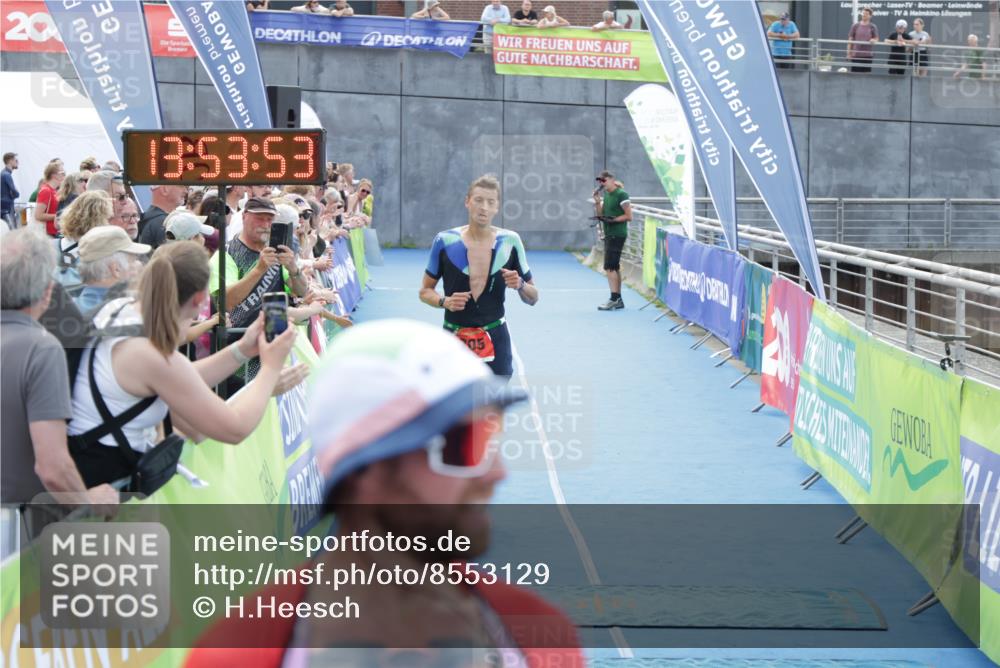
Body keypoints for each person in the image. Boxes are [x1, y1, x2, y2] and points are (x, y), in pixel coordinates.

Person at [184, 320, 583, 667]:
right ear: (366, 470)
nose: (497, 473)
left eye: (493, 437)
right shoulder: (236, 652)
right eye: (467, 444)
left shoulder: (540, 632)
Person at [66, 242, 301, 488]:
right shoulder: (152, 355)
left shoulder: (121, 309)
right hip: (106, 498)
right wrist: (270, 369)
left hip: (87, 473)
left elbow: (184, 379)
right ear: (200, 300)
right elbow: (234, 428)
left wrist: (242, 349)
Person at [1, 228, 119, 512]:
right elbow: (53, 467)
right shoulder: (41, 349)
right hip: (14, 526)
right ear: (47, 292)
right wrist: (87, 502)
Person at [420, 175, 538, 378]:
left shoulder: (510, 241)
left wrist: (519, 284)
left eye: (490, 202)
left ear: (497, 207)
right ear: (467, 202)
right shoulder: (445, 241)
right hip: (454, 335)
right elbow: (425, 291)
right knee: (455, 403)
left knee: (493, 404)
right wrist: (444, 301)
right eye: (478, 200)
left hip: (495, 336)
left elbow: (533, 297)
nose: (484, 207)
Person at [211, 197, 307, 381]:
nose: (265, 224)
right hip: (237, 355)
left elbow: (301, 291)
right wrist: (259, 270)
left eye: (269, 219)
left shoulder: (275, 252)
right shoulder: (226, 254)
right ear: (245, 216)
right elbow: (225, 301)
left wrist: (293, 268)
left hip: (273, 349)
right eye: (259, 218)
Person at [75, 226, 149, 312]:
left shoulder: (74, 306)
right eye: (133, 260)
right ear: (116, 269)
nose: (138, 264)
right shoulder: (125, 313)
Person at [593, 170, 632, 311]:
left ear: (611, 179)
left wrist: (613, 220)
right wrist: (598, 202)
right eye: (599, 181)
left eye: (603, 180)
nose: (601, 183)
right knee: (613, 266)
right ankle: (618, 298)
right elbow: (600, 214)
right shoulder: (607, 195)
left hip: (617, 234)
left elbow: (629, 216)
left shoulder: (621, 194)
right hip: (610, 234)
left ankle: (614, 298)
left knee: (609, 267)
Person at [34, 162, 65, 237]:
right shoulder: (46, 191)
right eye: (62, 173)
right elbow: (38, 215)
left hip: (53, 233)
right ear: (54, 175)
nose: (64, 175)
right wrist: (58, 216)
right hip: (48, 234)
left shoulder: (53, 190)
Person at [847, 6, 879, 73]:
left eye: (866, 14)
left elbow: (876, 38)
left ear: (870, 16)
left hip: (867, 56)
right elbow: (850, 40)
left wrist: (873, 40)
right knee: (855, 75)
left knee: (866, 75)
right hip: (856, 55)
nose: (864, 15)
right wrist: (848, 53)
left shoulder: (873, 26)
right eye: (863, 13)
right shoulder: (855, 26)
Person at [1, 152, 19, 228]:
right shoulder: (6, 175)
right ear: (10, 161)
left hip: (4, 209)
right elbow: (15, 193)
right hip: (6, 210)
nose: (17, 162)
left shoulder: (3, 173)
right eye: (16, 160)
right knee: (12, 233)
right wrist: (16, 194)